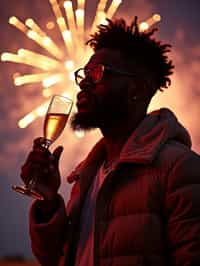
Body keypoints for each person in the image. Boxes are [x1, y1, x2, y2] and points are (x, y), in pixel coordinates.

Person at [21, 17, 200, 266]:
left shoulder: (181, 169)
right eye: (83, 74)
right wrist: (49, 201)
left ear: (136, 89)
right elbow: (55, 259)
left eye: (97, 73)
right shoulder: (86, 176)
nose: (84, 82)